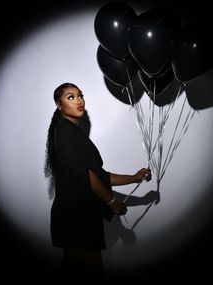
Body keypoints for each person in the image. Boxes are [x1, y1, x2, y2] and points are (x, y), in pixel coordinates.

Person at [44, 82, 151, 281]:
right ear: (58, 105)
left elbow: (100, 175)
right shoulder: (66, 132)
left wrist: (133, 178)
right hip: (75, 217)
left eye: (80, 95)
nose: (79, 100)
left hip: (79, 215)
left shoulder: (75, 133)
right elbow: (86, 175)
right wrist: (111, 202)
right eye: (71, 97)